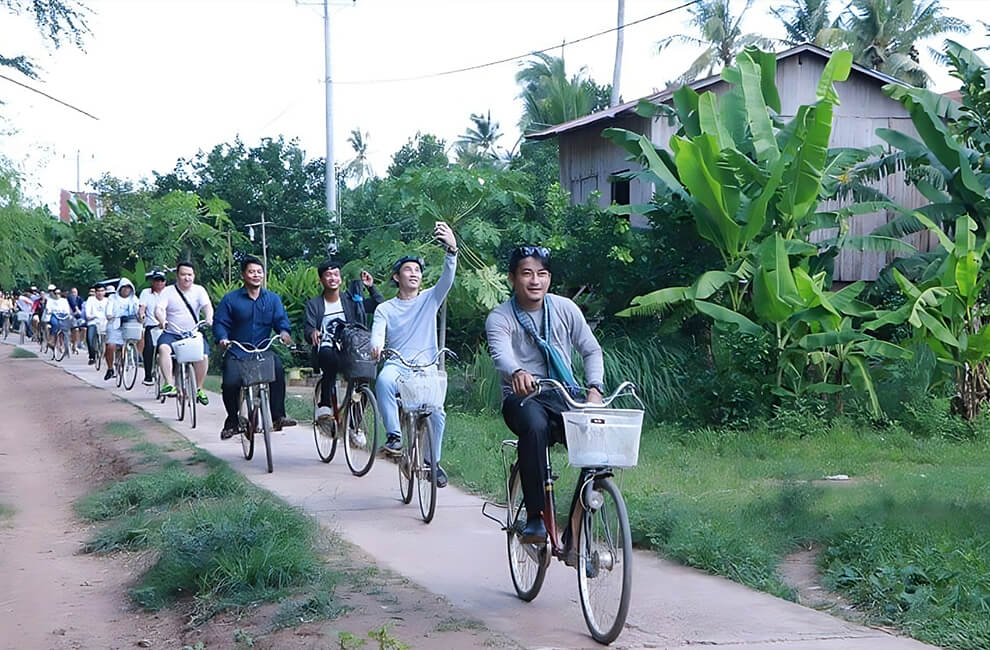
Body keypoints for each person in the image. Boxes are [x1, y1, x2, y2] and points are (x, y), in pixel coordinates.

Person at [485, 246, 605, 545]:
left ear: (549, 278)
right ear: (513, 278)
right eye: (526, 274)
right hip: (522, 397)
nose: (535, 281)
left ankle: (579, 532)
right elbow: (501, 353)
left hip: (563, 394)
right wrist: (517, 372)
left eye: (542, 274)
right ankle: (536, 518)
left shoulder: (565, 309)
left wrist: (595, 388)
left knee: (598, 450)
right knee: (534, 428)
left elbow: (591, 349)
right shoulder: (500, 317)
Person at [371, 221, 458, 488]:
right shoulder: (385, 308)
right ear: (397, 277)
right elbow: (378, 332)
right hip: (398, 363)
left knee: (438, 412)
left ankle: (433, 462)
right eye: (408, 270)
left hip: (426, 366)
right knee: (384, 380)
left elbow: (447, 278)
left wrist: (451, 249)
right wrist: (376, 346)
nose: (414, 274)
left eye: (418, 270)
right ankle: (394, 437)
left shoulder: (430, 299)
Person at [213, 256, 296, 439]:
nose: (256, 275)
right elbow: (220, 323)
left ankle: (278, 416)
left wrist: (284, 333)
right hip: (237, 351)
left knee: (278, 370)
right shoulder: (231, 299)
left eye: (259, 272)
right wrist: (222, 338)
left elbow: (281, 321)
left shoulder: (272, 299)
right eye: (251, 271)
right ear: (244, 274)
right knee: (230, 383)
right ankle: (233, 421)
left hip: (262, 350)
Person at [303, 260, 383, 425]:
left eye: (336, 274)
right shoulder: (314, 304)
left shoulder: (352, 300)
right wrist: (313, 332)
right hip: (327, 347)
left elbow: (380, 306)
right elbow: (308, 329)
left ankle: (354, 425)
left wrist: (371, 286)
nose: (333, 278)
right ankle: (325, 406)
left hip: (351, 348)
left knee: (364, 377)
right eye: (328, 275)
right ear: (321, 280)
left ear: (340, 278)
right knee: (329, 359)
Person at [154, 261, 213, 405]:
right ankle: (169, 383)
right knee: (163, 348)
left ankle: (199, 388)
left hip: (192, 334)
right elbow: (159, 309)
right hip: (172, 332)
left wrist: (209, 317)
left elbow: (207, 306)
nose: (187, 278)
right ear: (177, 275)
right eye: (183, 274)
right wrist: (162, 320)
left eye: (190, 275)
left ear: (194, 276)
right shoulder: (168, 291)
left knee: (203, 355)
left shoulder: (199, 290)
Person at [104, 278, 140, 380]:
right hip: (115, 324)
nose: (126, 289)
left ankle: (130, 358)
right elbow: (109, 310)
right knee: (111, 345)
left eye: (128, 287)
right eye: (124, 287)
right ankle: (110, 368)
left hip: (129, 324)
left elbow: (138, 309)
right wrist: (110, 315)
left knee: (135, 337)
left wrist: (140, 316)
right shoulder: (112, 298)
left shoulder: (134, 299)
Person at [137, 269, 167, 385]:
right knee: (148, 348)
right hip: (152, 325)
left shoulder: (169, 293)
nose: (159, 283)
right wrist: (141, 315)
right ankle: (148, 375)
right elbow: (142, 307)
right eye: (156, 281)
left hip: (167, 325)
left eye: (161, 281)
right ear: (152, 282)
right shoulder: (146, 293)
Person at [84, 284, 109, 365]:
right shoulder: (91, 300)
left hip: (105, 323)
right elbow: (87, 313)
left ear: (105, 292)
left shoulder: (107, 301)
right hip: (93, 322)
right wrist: (90, 317)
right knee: (89, 338)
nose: (100, 293)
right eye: (98, 291)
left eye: (102, 291)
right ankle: (92, 356)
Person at [67, 287, 87, 353]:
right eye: (72, 292)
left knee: (84, 328)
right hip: (70, 317)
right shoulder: (69, 298)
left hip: (79, 317)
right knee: (76, 329)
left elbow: (83, 308)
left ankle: (80, 342)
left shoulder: (80, 299)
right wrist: (76, 311)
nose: (74, 294)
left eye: (75, 292)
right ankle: (74, 344)